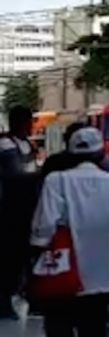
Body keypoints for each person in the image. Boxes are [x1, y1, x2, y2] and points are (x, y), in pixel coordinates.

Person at [30, 127, 109, 337]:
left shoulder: (56, 181)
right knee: (94, 335)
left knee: (60, 334)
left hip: (62, 276)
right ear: (102, 154)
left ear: (70, 154)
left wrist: (34, 261)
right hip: (101, 278)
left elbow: (43, 229)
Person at [0, 106, 40, 319]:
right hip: (9, 208)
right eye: (29, 121)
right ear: (20, 123)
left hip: (27, 206)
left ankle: (30, 296)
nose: (32, 125)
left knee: (27, 255)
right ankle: (5, 301)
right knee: (10, 257)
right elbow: (15, 174)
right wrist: (39, 175)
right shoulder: (6, 145)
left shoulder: (26, 143)